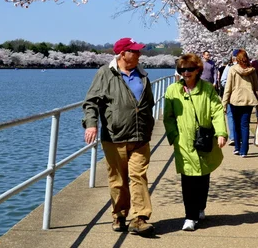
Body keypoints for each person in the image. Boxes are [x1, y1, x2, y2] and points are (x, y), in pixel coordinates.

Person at [82, 37, 156, 236]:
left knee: (138, 176)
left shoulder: (142, 74)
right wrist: (91, 125)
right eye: (135, 51)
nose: (139, 54)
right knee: (118, 180)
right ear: (122, 54)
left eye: (139, 51)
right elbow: (91, 102)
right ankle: (119, 214)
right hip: (114, 137)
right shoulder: (105, 74)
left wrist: (149, 123)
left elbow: (149, 101)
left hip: (140, 136)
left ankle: (140, 218)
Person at [163, 53, 228, 232]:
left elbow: (216, 110)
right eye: (182, 70)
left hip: (205, 139)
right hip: (183, 141)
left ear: (198, 70)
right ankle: (189, 217)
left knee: (203, 177)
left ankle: (200, 207)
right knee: (188, 179)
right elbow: (168, 117)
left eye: (190, 69)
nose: (186, 73)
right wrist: (174, 136)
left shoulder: (207, 89)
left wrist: (221, 132)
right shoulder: (172, 90)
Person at [222, 49, 258, 158]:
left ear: (237, 59)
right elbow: (256, 88)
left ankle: (237, 148)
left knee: (236, 124)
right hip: (248, 100)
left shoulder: (233, 70)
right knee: (245, 125)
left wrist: (224, 103)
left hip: (235, 100)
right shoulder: (252, 70)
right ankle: (244, 150)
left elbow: (228, 87)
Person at [220, 50, 240, 145]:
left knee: (235, 115)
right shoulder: (229, 67)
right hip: (233, 95)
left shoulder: (246, 68)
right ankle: (234, 136)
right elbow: (223, 80)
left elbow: (223, 80)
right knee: (232, 115)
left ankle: (236, 136)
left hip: (237, 95)